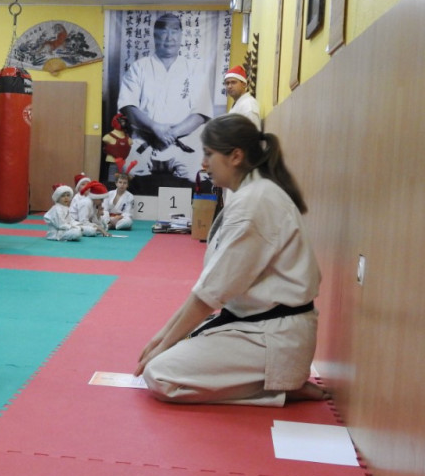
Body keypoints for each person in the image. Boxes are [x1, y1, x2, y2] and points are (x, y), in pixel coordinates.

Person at [135, 114, 325, 406]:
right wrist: (162, 337)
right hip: (259, 324)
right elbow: (207, 288)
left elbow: (211, 294)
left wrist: (163, 344)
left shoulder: (254, 202)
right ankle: (274, 380)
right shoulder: (251, 194)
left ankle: (276, 387)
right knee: (167, 350)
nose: (203, 163)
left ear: (236, 156)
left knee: (160, 374)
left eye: (209, 154)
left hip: (273, 335)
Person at [117, 12, 213, 181]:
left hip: (184, 143)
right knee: (129, 173)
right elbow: (129, 108)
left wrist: (170, 134)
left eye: (174, 30)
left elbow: (200, 114)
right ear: (154, 35)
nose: (169, 37)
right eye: (163, 31)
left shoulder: (194, 69)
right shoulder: (139, 67)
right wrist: (155, 128)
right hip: (145, 142)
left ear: (181, 34)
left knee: (197, 176)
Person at [223, 65, 261, 130]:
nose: (229, 86)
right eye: (227, 83)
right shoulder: (238, 104)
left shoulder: (248, 105)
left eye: (233, 82)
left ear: (244, 84)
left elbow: (253, 133)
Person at [104, 158, 136, 230]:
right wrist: (109, 218)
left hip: (120, 218)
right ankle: (110, 223)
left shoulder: (130, 196)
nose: (122, 185)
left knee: (128, 221)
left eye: (125, 183)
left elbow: (128, 213)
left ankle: (110, 225)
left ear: (127, 185)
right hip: (109, 217)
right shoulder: (109, 194)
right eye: (120, 182)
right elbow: (104, 209)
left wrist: (118, 217)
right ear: (116, 183)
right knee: (101, 216)